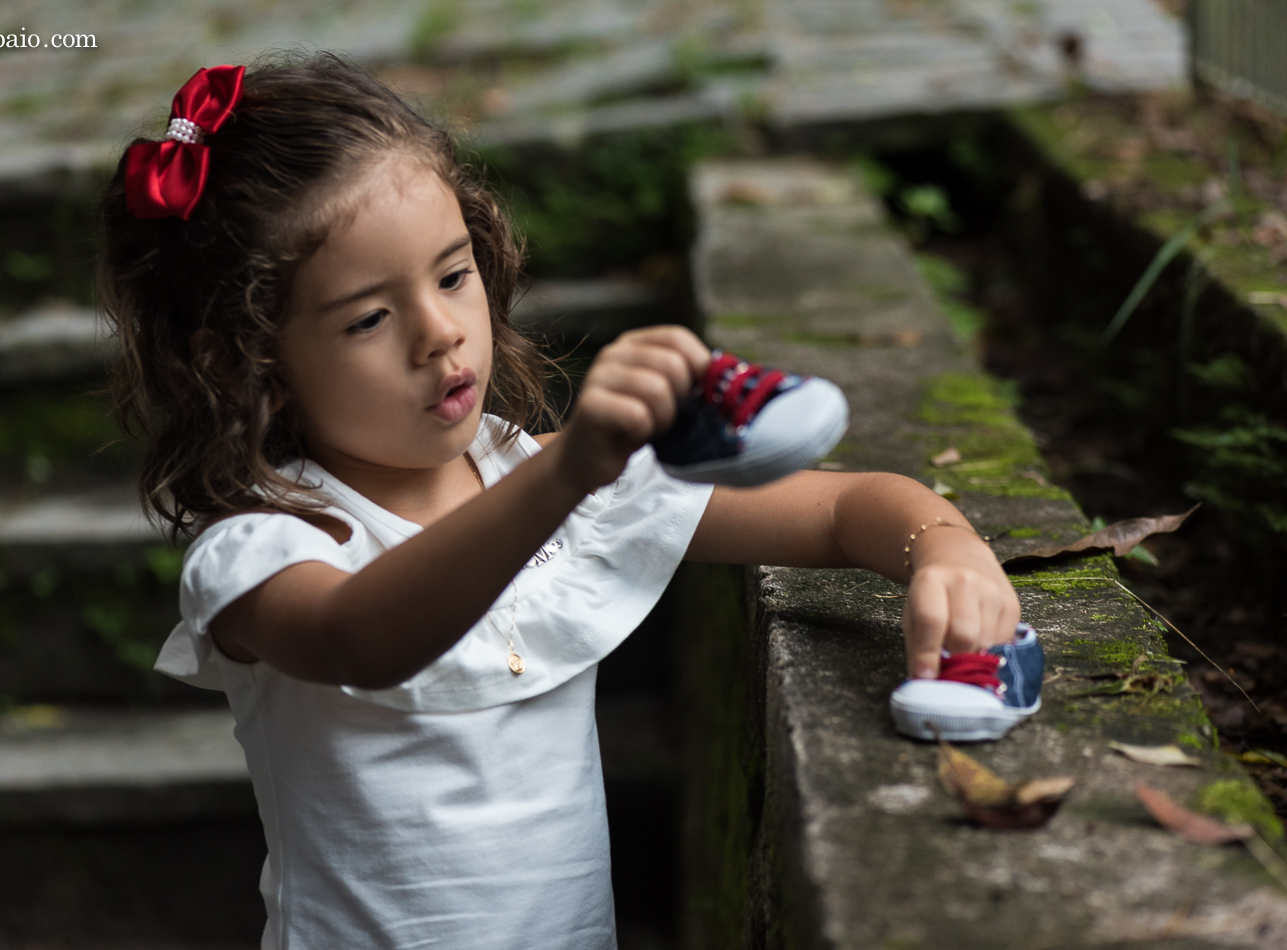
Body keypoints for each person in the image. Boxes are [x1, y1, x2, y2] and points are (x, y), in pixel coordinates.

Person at [98, 52, 1021, 950]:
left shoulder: (537, 476)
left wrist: (943, 549)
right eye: (368, 318)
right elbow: (361, 640)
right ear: (241, 359)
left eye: (452, 275)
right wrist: (569, 470)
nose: (439, 333)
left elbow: (835, 507)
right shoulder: (264, 549)